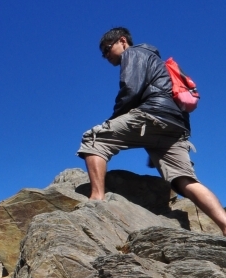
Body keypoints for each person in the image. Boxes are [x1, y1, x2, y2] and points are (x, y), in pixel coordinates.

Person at [77, 27, 226, 236]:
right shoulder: (157, 63)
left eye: (107, 49)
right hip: (176, 126)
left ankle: (96, 199)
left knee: (93, 139)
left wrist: (112, 121)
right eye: (103, 53)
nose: (106, 55)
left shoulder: (134, 53)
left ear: (122, 41)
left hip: (152, 114)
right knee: (184, 180)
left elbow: (131, 90)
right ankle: (224, 224)